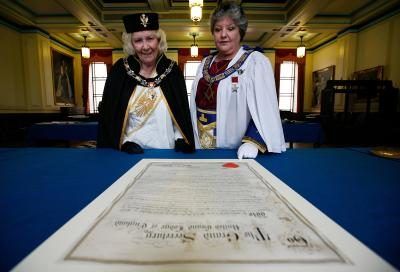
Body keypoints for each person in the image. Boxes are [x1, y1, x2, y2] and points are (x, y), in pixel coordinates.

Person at [190, 1, 286, 159]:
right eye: (217, 29)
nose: (223, 35)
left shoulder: (255, 62)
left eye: (230, 28)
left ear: (240, 31)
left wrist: (253, 141)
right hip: (201, 149)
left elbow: (265, 109)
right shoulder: (204, 63)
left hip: (237, 153)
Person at [97, 13, 195, 154]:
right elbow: (109, 118)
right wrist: (124, 143)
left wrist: (180, 138)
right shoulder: (120, 71)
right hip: (130, 154)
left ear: (159, 40)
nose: (145, 46)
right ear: (131, 44)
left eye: (150, 39)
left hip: (168, 152)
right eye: (138, 40)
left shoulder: (172, 71)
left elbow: (181, 114)